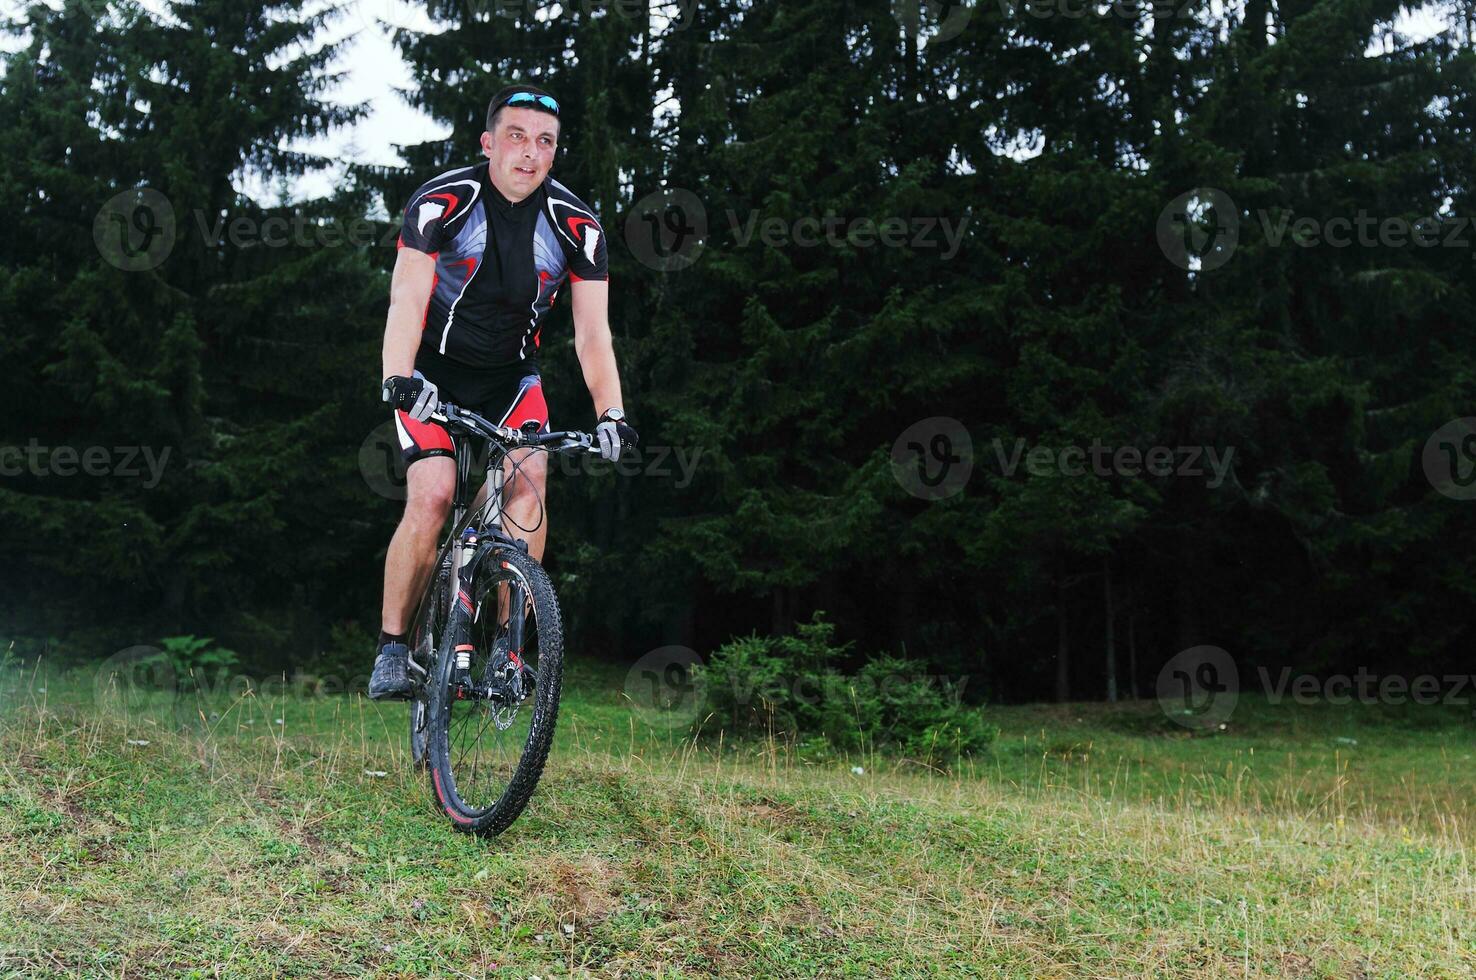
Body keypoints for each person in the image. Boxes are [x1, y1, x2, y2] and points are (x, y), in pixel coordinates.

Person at [369, 84, 634, 700]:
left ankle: (510, 650)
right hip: (431, 375)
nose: (530, 152)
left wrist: (611, 412)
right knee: (433, 494)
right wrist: (398, 376)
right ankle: (391, 649)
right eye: (516, 136)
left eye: (545, 142)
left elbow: (593, 334)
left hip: (513, 382)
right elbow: (407, 297)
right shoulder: (444, 202)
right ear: (489, 143)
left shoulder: (576, 226)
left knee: (529, 489)